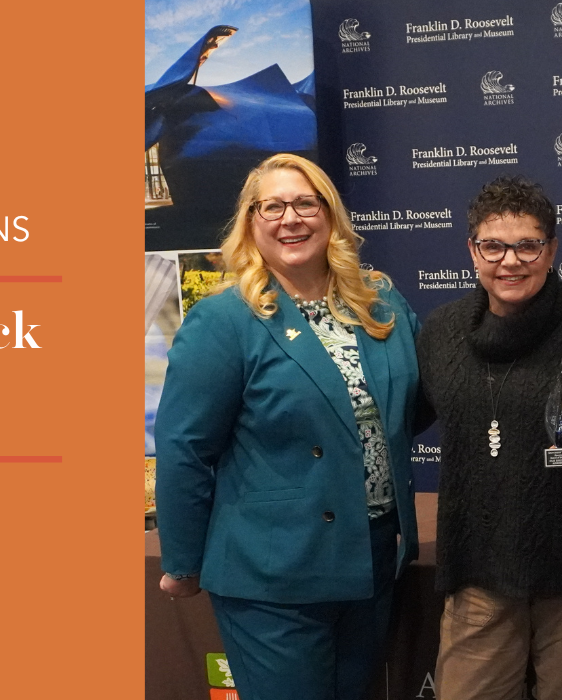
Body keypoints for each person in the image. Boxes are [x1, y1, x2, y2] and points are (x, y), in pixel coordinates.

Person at [154, 153, 422, 700]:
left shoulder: (379, 302)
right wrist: (181, 561)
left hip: (370, 557)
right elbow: (184, 448)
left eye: (305, 202)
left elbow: (435, 385)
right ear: (251, 223)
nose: (290, 218)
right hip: (273, 573)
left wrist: (556, 318)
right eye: (271, 206)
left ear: (331, 215)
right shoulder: (224, 320)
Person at [416, 175, 562, 700]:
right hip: (479, 567)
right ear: (472, 249)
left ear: (551, 249)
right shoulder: (441, 333)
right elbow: (401, 413)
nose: (510, 261)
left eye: (527, 245)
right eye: (493, 245)